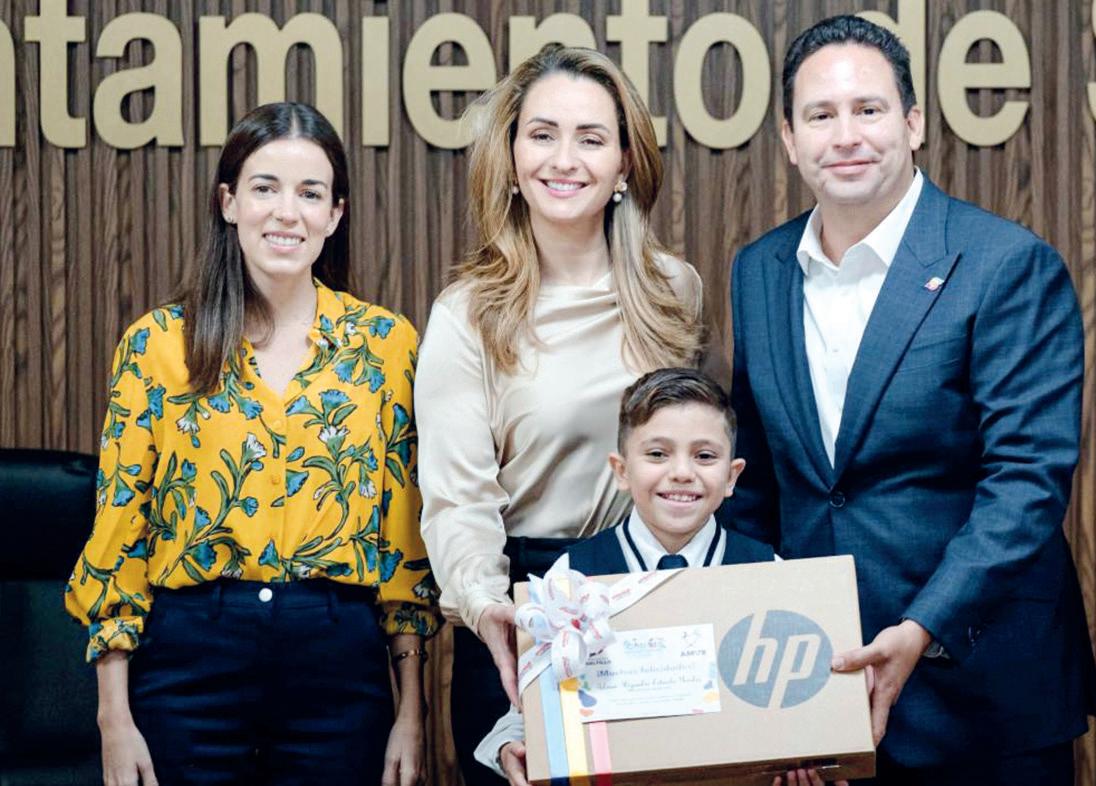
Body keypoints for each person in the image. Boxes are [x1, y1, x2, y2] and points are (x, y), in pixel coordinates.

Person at [720, 15, 1096, 786]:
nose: (846, 136)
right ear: (789, 139)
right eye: (819, 116)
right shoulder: (759, 270)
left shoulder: (1004, 264)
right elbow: (754, 485)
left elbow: (1025, 485)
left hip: (978, 692)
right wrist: (763, 687)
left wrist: (921, 627)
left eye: (868, 109)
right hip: (819, 690)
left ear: (913, 123)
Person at [65, 102, 439, 786]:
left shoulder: (385, 346)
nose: (286, 213)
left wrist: (410, 711)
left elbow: (403, 542)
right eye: (265, 188)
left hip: (338, 664)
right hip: (188, 661)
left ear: (335, 214)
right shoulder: (158, 345)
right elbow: (119, 531)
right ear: (229, 202)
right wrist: (112, 718)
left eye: (310, 193)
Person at [415, 44, 702, 784]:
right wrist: (488, 608)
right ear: (511, 158)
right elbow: (456, 499)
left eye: (590, 138)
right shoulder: (467, 315)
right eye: (542, 135)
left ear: (624, 164)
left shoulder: (675, 293)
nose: (564, 159)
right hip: (526, 614)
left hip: (653, 606)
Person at [470, 367, 776, 785]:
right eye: (657, 454)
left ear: (732, 476)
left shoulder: (770, 574)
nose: (682, 472)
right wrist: (512, 746)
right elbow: (528, 709)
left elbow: (795, 709)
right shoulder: (569, 579)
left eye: (705, 456)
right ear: (621, 470)